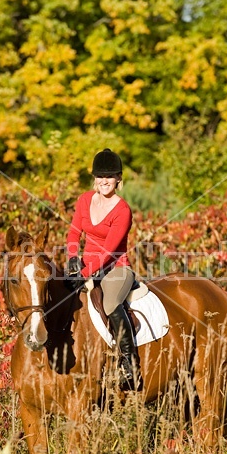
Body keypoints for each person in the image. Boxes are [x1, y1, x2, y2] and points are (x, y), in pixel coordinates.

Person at [66, 148, 142, 391]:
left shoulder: (123, 210)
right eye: (100, 176)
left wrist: (85, 274)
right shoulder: (84, 200)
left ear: (119, 179)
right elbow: (74, 232)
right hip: (87, 267)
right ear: (94, 178)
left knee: (109, 304)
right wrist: (71, 258)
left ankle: (130, 364)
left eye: (109, 177)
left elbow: (109, 251)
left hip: (116, 269)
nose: (104, 181)